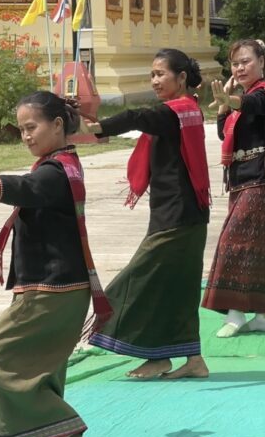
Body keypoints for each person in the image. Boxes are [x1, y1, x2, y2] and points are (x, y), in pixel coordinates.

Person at [0, 91, 112, 437]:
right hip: (61, 285)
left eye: (32, 127)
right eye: (21, 130)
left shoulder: (55, 172)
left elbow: (24, 189)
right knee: (41, 366)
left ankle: (62, 425)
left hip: (53, 289)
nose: (26, 136)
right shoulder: (62, 164)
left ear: (57, 125)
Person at [82, 48, 211, 379]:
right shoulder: (187, 110)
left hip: (178, 217)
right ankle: (176, 359)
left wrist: (97, 128)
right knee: (175, 289)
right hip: (182, 214)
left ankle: (156, 352)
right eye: (152, 74)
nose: (154, 80)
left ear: (181, 78)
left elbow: (136, 116)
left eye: (160, 74)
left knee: (136, 280)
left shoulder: (175, 113)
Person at [202, 39, 265, 338]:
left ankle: (236, 314)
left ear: (261, 61)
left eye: (246, 61)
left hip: (262, 177)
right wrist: (224, 105)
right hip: (242, 178)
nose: (239, 68)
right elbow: (223, 132)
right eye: (235, 63)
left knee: (234, 242)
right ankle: (262, 316)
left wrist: (232, 100)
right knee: (256, 247)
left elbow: (252, 105)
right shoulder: (243, 97)